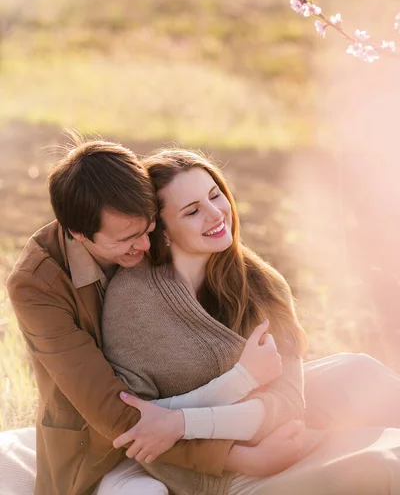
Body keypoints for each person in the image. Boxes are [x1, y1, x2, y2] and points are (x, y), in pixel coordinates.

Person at [100, 148, 400, 495]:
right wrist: (243, 417)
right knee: (381, 468)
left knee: (365, 378)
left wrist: (180, 422)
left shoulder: (261, 283)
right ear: (162, 231)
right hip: (214, 474)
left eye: (215, 196)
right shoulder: (133, 300)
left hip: (283, 444)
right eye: (193, 211)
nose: (216, 214)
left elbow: (289, 403)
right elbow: (139, 425)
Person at [7, 138, 276, 495]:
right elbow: (116, 414)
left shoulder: (150, 229)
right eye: (128, 240)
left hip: (183, 410)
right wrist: (236, 457)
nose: (147, 247)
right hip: (105, 445)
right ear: (78, 233)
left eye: (149, 228)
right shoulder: (36, 286)